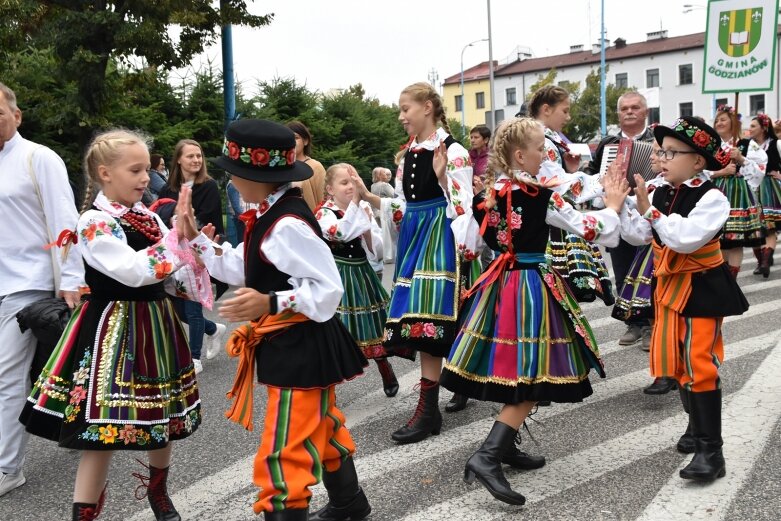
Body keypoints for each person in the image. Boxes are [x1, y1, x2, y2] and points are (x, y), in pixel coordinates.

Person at [19, 129, 212, 520]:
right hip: (114, 328)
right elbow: (133, 271)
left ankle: (159, 492)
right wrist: (176, 241)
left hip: (156, 321)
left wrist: (195, 247)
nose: (145, 177)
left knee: (161, 417)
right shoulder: (94, 221)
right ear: (105, 173)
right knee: (101, 429)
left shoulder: (147, 216)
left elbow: (173, 281)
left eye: (146, 168)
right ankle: (84, 513)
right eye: (136, 170)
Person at [440, 117, 626, 504]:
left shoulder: (488, 193)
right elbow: (586, 228)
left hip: (501, 283)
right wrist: (612, 207)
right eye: (541, 148)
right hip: (530, 287)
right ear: (520, 155)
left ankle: (505, 448)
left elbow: (469, 245)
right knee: (532, 374)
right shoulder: (540, 195)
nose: (546, 154)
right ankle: (487, 455)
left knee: (515, 369)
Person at [198, 119, 369, 521]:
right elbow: (246, 266)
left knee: (285, 446)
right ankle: (349, 503)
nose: (230, 180)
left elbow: (328, 290)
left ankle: (289, 511)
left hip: (300, 347)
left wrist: (270, 302)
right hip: (296, 344)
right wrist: (197, 242)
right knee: (323, 428)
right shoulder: (268, 213)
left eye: (233, 172)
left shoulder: (287, 224)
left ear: (254, 175)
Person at [619, 116, 749, 482]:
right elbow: (638, 235)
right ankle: (696, 429)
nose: (661, 158)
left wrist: (649, 209)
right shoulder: (662, 190)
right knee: (677, 361)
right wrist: (621, 205)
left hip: (702, 287)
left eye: (671, 152)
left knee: (698, 361)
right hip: (669, 287)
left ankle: (712, 451)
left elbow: (685, 238)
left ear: (698, 161)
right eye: (661, 151)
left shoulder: (712, 197)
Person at [355, 82, 480, 442]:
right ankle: (437, 402)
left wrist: (442, 179)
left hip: (441, 237)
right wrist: (368, 198)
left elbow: (464, 208)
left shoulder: (454, 152)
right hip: (415, 235)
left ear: (427, 107)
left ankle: (429, 410)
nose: (400, 116)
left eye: (405, 108)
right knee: (425, 320)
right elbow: (404, 208)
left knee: (431, 319)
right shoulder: (408, 153)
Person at [0, 82, 84, 497]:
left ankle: (6, 467)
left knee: (7, 376)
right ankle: (75, 423)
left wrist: (71, 279)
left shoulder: (38, 158)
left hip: (28, 284)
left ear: (16, 116)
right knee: (47, 370)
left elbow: (65, 220)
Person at [316, 163, 399, 397]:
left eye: (353, 182)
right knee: (335, 329)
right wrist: (356, 210)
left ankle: (384, 366)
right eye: (344, 183)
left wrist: (367, 229)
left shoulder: (361, 208)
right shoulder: (324, 213)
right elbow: (339, 232)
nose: (351, 187)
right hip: (338, 273)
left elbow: (378, 251)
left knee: (372, 322)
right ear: (330, 189)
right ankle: (328, 388)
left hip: (361, 271)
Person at [531, 85, 614, 305]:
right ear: (546, 109)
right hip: (549, 220)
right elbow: (555, 186)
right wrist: (601, 181)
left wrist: (570, 170)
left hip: (550, 215)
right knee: (555, 293)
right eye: (564, 110)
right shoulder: (542, 140)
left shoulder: (549, 139)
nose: (568, 117)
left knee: (557, 295)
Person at [585, 92, 656, 349]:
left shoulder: (657, 139)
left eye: (635, 107)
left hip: (646, 213)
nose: (629, 112)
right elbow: (592, 173)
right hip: (617, 212)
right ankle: (633, 322)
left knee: (648, 271)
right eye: (624, 108)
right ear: (618, 114)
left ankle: (650, 323)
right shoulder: (608, 144)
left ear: (645, 112)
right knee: (622, 268)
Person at [158, 139, 226, 373]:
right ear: (178, 159)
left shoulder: (207, 186)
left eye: (199, 156)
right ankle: (213, 329)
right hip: (175, 252)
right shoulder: (167, 190)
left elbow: (208, 221)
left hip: (198, 251)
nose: (196, 160)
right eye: (191, 156)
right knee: (179, 309)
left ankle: (194, 358)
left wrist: (180, 221)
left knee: (192, 307)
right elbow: (159, 215)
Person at [708, 105, 766, 277]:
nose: (719, 123)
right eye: (717, 120)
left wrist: (741, 159)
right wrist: (721, 172)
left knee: (735, 240)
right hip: (715, 191)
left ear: (733, 122)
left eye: (723, 119)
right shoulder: (711, 146)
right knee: (719, 239)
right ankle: (723, 275)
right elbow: (699, 171)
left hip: (738, 194)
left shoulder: (747, 144)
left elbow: (759, 170)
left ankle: (731, 278)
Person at [749, 114, 781, 277]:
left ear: (763, 127)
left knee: (769, 227)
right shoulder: (747, 145)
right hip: (752, 188)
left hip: (770, 188)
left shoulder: (777, 144)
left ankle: (765, 262)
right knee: (754, 228)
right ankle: (762, 260)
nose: (750, 129)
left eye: (753, 126)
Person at [287, 121, 327, 211]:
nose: (292, 142)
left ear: (305, 141)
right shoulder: (282, 168)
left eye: (296, 138)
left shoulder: (316, 167)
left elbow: (324, 200)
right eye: (288, 138)